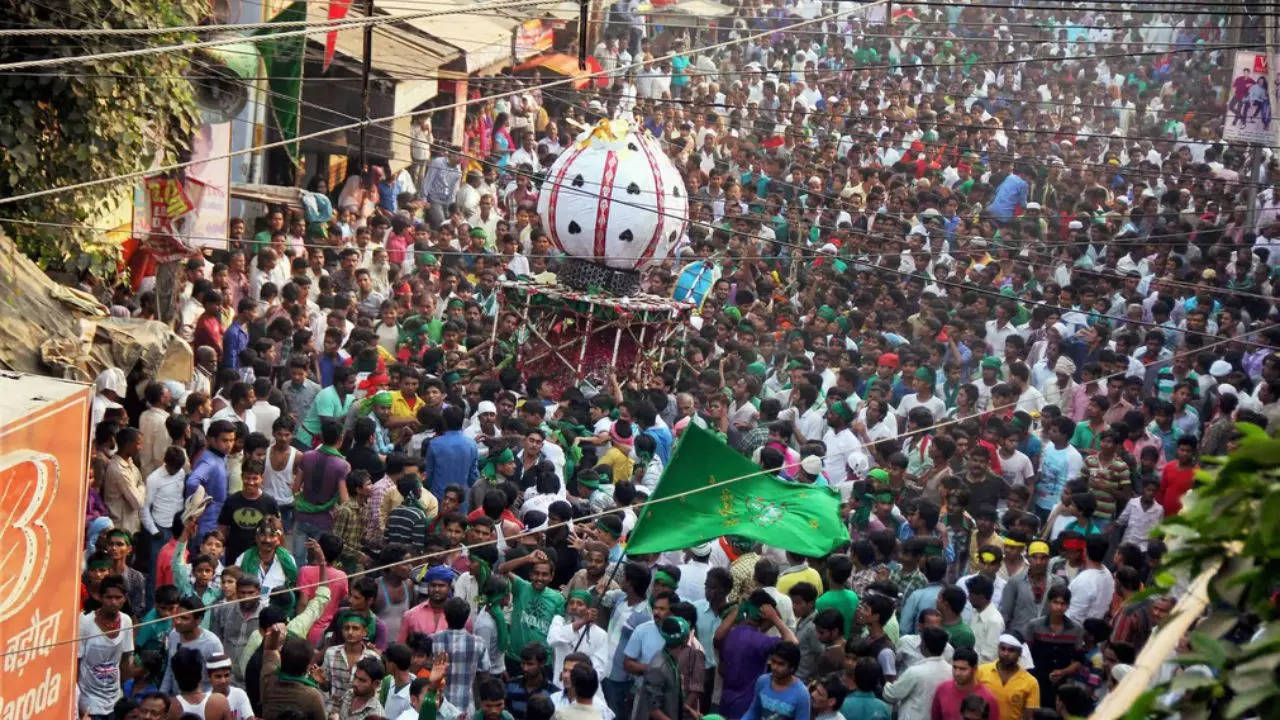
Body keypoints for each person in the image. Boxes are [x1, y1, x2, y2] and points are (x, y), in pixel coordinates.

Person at [78, 575, 135, 719]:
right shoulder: (85, 622)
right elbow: (76, 662)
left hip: (115, 699)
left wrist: (125, 690)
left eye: (118, 597)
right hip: (89, 700)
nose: (113, 602)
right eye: (109, 597)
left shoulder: (126, 621)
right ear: (100, 597)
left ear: (125, 598)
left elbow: (126, 660)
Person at [883, 626, 952, 720]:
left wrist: (887, 681)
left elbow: (891, 695)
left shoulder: (915, 672)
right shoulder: (951, 671)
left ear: (924, 646)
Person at [976, 634, 1040, 720]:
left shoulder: (1031, 682)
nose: (1006, 654)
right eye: (1003, 649)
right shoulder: (981, 671)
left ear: (1020, 653)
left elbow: (1029, 717)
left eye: (1011, 650)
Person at [929, 647, 998, 720]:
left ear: (974, 669)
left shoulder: (988, 699)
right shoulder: (942, 690)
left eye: (963, 669)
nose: (957, 673)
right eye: (955, 667)